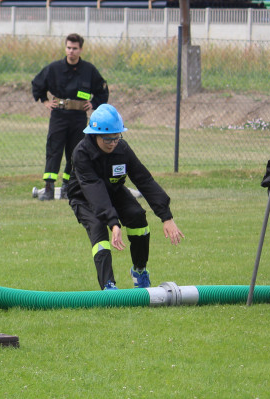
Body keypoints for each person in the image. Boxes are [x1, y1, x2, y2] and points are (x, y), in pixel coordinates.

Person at [64, 104, 183, 291]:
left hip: (115, 190)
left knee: (138, 216)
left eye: (117, 137)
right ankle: (108, 286)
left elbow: (143, 179)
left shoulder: (122, 149)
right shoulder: (81, 153)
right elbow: (94, 189)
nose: (113, 143)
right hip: (84, 197)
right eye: (108, 139)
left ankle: (140, 271)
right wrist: (113, 222)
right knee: (98, 229)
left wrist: (166, 216)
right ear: (95, 135)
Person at [32, 33, 109, 201]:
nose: (71, 51)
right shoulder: (54, 69)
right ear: (65, 48)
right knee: (54, 150)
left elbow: (102, 89)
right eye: (68, 48)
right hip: (59, 116)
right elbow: (37, 84)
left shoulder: (89, 70)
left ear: (80, 49)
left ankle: (68, 186)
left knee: (76, 152)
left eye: (75, 48)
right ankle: (49, 188)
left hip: (79, 117)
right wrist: (45, 101)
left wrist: (93, 103)